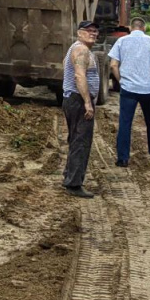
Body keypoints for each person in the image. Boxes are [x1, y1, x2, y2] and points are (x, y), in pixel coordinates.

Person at [108, 17, 150, 167]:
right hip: (149, 89)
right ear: (144, 28)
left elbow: (113, 65)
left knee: (125, 123)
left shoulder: (121, 42)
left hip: (129, 89)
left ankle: (123, 158)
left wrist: (121, 81)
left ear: (130, 28)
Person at [61, 20, 100, 198]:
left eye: (95, 31)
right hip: (78, 100)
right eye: (88, 30)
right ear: (79, 33)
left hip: (72, 99)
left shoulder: (75, 48)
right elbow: (79, 76)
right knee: (81, 141)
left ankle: (69, 176)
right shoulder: (81, 50)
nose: (92, 33)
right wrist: (87, 102)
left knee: (75, 139)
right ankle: (74, 184)